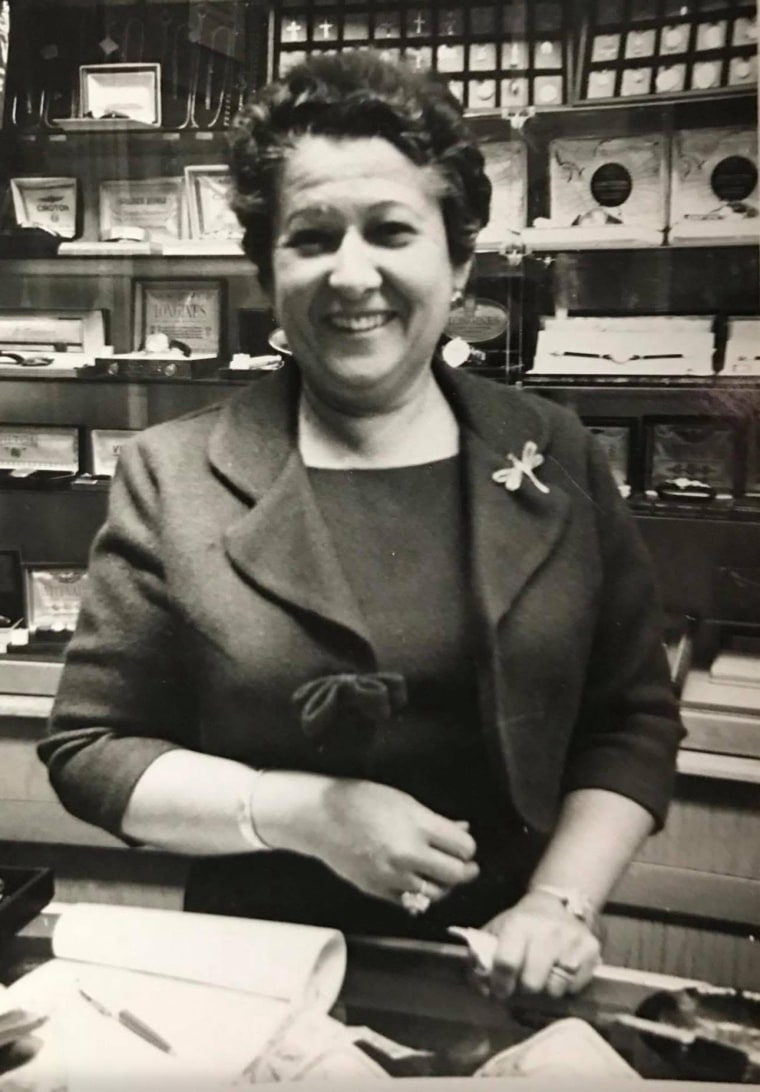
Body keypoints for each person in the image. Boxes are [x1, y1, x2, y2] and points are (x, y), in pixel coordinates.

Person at [39, 51, 683, 1002]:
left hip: (512, 974)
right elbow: (91, 751)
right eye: (310, 237)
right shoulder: (172, 475)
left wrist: (562, 907)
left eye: (391, 230)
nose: (353, 274)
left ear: (457, 259)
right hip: (257, 985)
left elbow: (629, 717)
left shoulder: (556, 451)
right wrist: (302, 811)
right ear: (267, 269)